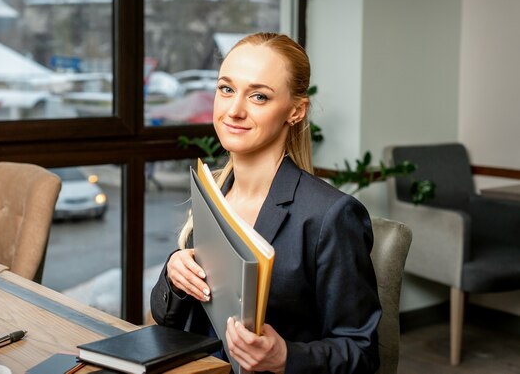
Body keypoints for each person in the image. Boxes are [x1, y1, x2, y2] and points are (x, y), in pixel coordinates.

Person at [150, 32, 381, 374]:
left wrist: (285, 356)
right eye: (226, 89)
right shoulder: (214, 191)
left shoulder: (331, 216)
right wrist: (174, 275)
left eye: (258, 96)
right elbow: (166, 318)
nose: (234, 110)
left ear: (295, 111)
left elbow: (363, 354)